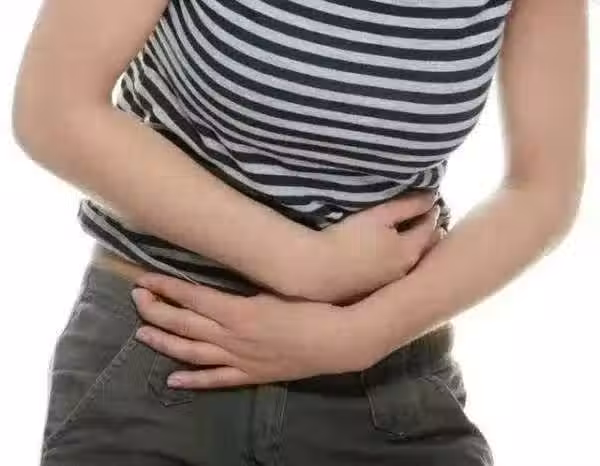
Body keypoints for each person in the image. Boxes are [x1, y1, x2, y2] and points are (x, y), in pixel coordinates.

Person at [12, 0, 587, 465]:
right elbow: (54, 109)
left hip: (384, 380)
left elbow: (542, 191)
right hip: (165, 342)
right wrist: (306, 264)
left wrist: (356, 336)